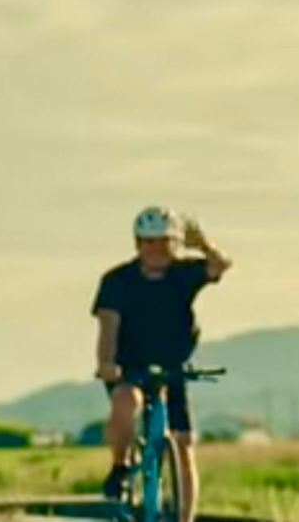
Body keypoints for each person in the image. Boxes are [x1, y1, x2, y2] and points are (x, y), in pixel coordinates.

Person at [93, 206, 232, 522]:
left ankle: (185, 517)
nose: (156, 249)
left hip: (173, 364)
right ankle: (120, 465)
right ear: (137, 244)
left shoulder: (182, 273)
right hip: (129, 364)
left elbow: (220, 266)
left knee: (183, 443)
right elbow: (108, 325)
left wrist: (203, 244)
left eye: (164, 242)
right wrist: (106, 362)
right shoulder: (117, 281)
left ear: (175, 244)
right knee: (126, 402)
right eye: (149, 242)